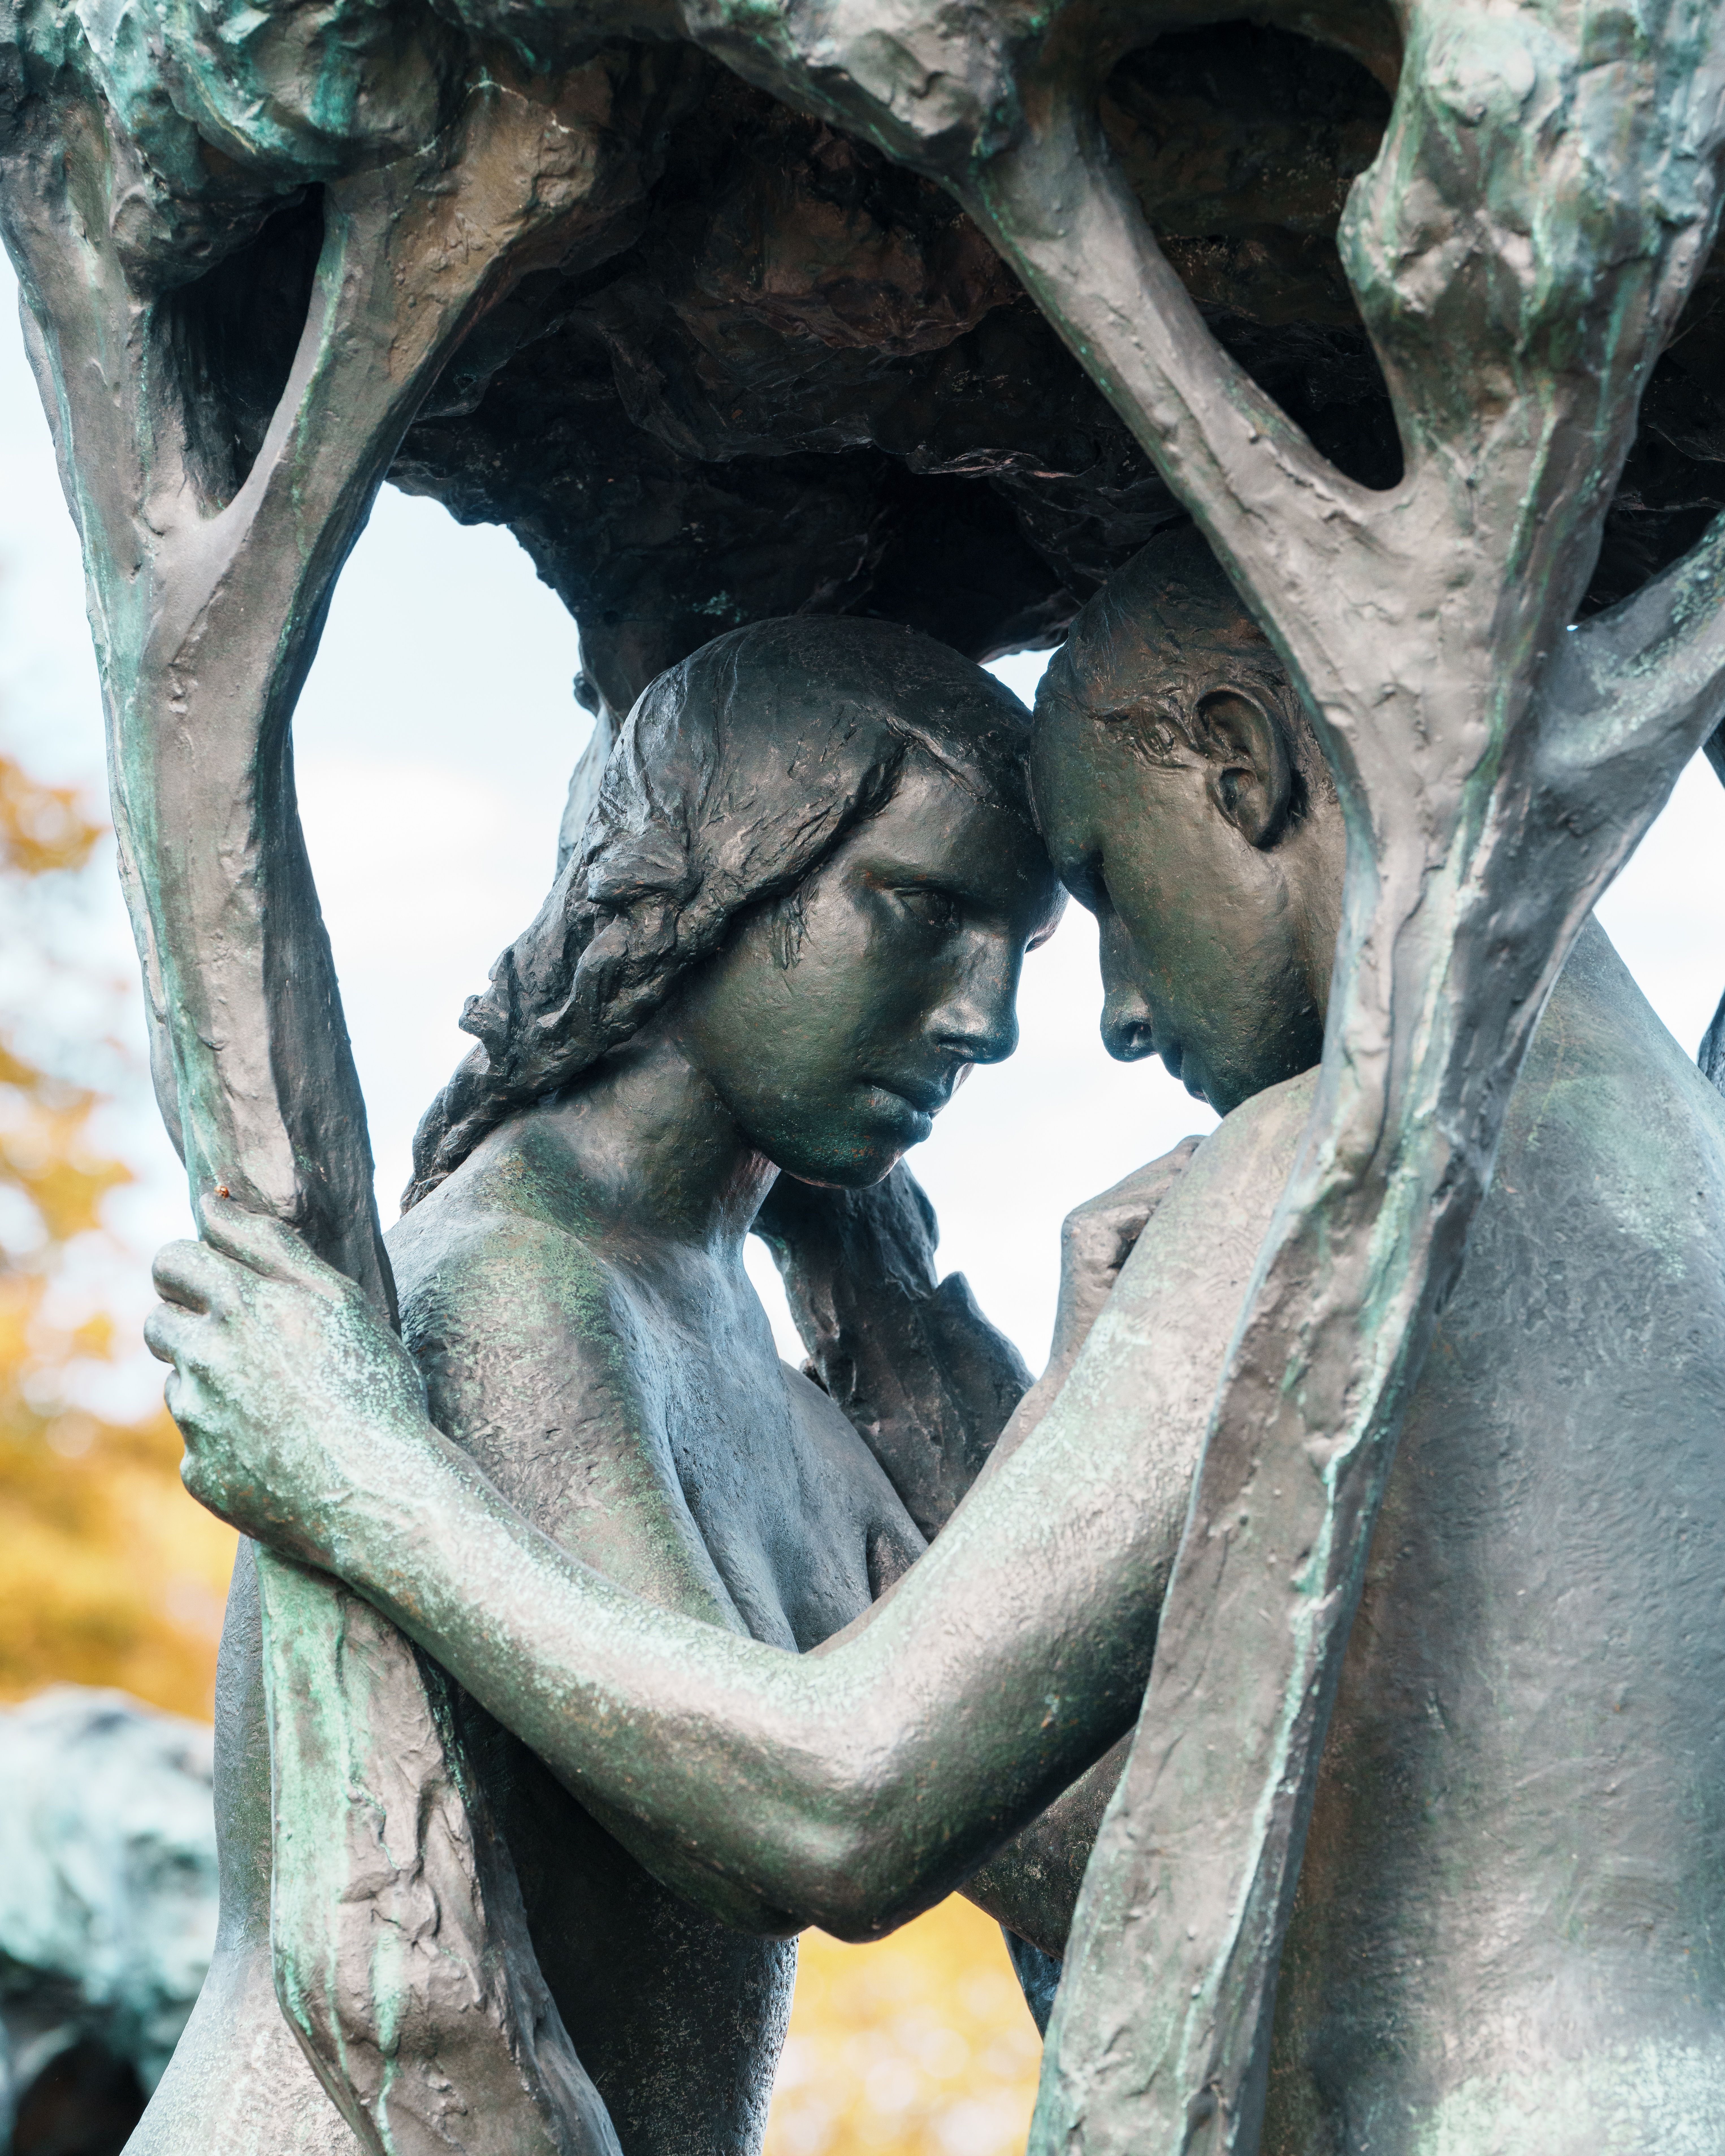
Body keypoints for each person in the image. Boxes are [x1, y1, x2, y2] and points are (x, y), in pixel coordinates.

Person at [150, 529, 1725, 2151]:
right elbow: (800, 1827)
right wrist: (350, 1467)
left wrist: (1083, 1420)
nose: (993, 1020)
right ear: (719, 880)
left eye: (1024, 940)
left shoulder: (744, 1353)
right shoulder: (520, 1282)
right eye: (918, 911)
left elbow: (1022, 1827)